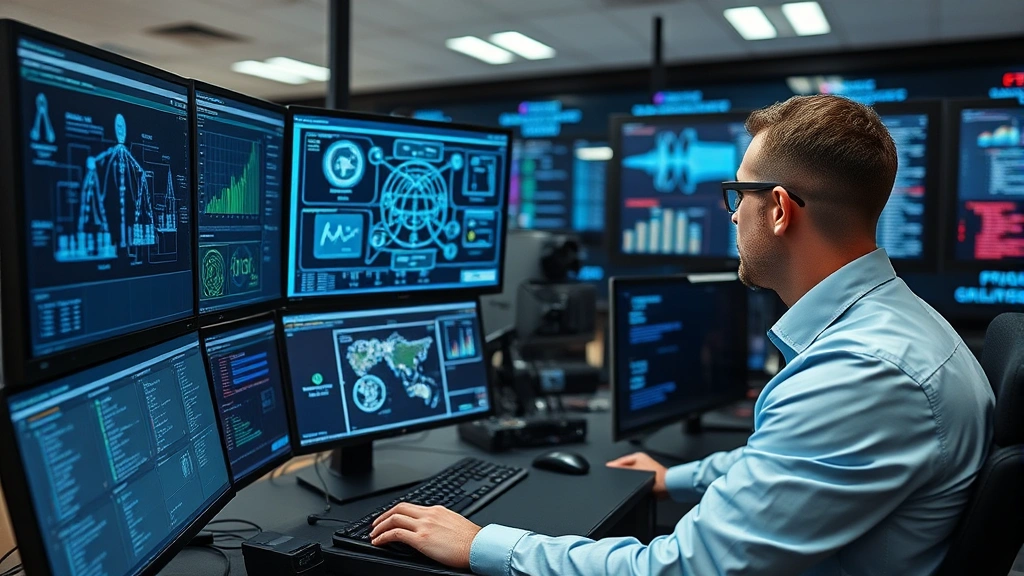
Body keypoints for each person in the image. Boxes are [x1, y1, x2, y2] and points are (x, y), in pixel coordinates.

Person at [367, 95, 996, 575]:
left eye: (736, 195)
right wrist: (679, 478)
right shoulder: (895, 329)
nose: (731, 213)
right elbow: (790, 459)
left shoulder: (861, 372)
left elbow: (684, 568)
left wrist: (484, 544)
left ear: (777, 209)